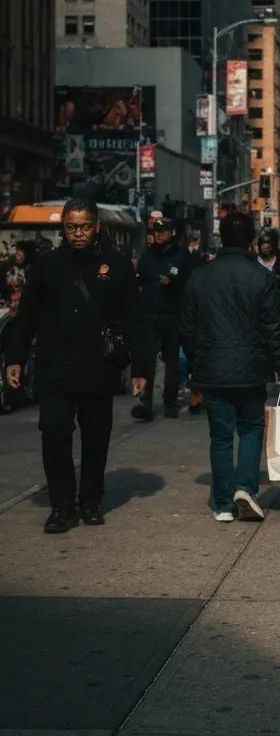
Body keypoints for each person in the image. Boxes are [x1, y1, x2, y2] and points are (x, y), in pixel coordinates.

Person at [4, 198, 148, 533]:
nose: (78, 233)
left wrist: (142, 367)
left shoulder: (116, 265)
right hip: (54, 368)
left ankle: (90, 501)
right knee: (54, 437)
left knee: (96, 440)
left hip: (99, 368)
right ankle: (62, 507)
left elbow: (135, 317)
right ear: (63, 228)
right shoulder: (45, 266)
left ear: (96, 226)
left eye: (84, 226)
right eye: (71, 227)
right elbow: (26, 318)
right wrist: (15, 358)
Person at [180, 211, 280, 523]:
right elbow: (274, 327)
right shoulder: (263, 277)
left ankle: (221, 503)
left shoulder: (200, 276)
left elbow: (187, 326)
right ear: (252, 241)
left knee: (221, 436)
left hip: (213, 368)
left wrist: (197, 360)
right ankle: (245, 487)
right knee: (251, 428)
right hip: (252, 369)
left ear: (221, 237)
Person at [134, 217, 191, 419]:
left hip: (172, 316)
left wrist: (173, 282)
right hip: (150, 315)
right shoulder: (148, 255)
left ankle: (170, 402)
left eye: (163, 231)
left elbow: (190, 284)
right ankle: (146, 404)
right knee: (148, 360)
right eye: (156, 231)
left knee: (172, 362)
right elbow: (140, 280)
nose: (158, 234)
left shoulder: (183, 256)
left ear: (172, 233)